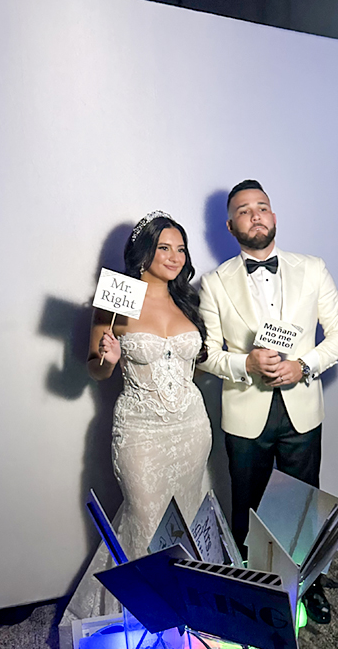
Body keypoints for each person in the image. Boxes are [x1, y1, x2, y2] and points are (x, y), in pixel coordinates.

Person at [198, 180, 338, 623]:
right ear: (231, 226)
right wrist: (246, 363)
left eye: (262, 207)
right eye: (244, 211)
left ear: (274, 216)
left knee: (302, 506)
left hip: (302, 409)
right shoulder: (214, 282)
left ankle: (308, 588)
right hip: (245, 414)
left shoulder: (313, 268)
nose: (256, 215)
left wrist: (304, 365)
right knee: (247, 506)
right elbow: (207, 354)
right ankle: (252, 596)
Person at [61, 211, 212, 628]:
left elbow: (187, 369)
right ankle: (137, 624)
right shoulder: (114, 300)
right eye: (164, 247)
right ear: (144, 251)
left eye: (181, 248)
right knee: (145, 524)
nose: (175, 256)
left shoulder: (188, 301)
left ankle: (182, 620)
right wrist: (105, 358)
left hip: (192, 430)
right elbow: (95, 370)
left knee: (185, 522)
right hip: (140, 433)